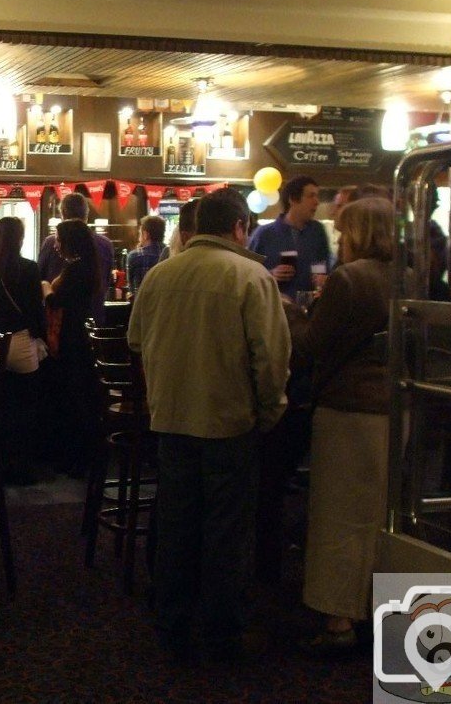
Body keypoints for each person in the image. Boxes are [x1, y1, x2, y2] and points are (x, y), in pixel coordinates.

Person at [128, 187, 290, 662]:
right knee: (226, 533)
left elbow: (136, 342)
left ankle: (172, 625)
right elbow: (271, 360)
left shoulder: (160, 274)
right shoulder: (251, 276)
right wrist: (269, 412)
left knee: (177, 524)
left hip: (172, 420)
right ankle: (221, 632)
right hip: (229, 422)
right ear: (240, 227)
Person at [286, 197, 396, 652]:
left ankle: (338, 621)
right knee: (380, 515)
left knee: (339, 515)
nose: (339, 240)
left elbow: (309, 346)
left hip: (348, 409)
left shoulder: (350, 279)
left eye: (345, 232)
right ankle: (378, 607)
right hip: (395, 409)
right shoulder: (411, 276)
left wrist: (288, 313)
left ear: (361, 233)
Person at [0, 216, 45, 484]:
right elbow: (34, 312)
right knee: (26, 408)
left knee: (0, 406)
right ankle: (22, 468)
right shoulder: (28, 268)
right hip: (18, 344)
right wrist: (42, 338)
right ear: (19, 238)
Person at [41, 219, 102, 476]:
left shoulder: (77, 270)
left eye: (59, 239)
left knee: (72, 398)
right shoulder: (87, 266)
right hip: (77, 336)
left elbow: (58, 301)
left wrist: (45, 288)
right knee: (78, 397)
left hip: (70, 339)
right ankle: (79, 457)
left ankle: (74, 459)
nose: (56, 244)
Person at [248, 175, 331, 300]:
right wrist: (271, 275)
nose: (317, 201)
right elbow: (249, 273)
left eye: (317, 196)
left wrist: (324, 278)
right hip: (276, 308)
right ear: (292, 199)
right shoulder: (264, 234)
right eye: (311, 196)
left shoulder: (318, 232)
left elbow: (324, 265)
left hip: (311, 308)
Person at [38, 191, 113, 324]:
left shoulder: (51, 243)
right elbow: (106, 282)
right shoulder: (105, 244)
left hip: (61, 322)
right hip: (95, 317)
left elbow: (41, 277)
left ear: (63, 214)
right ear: (86, 214)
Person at [126, 214, 165, 294]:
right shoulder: (171, 253)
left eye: (140, 233)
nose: (139, 237)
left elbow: (130, 287)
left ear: (146, 235)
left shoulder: (134, 256)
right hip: (164, 303)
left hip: (141, 304)